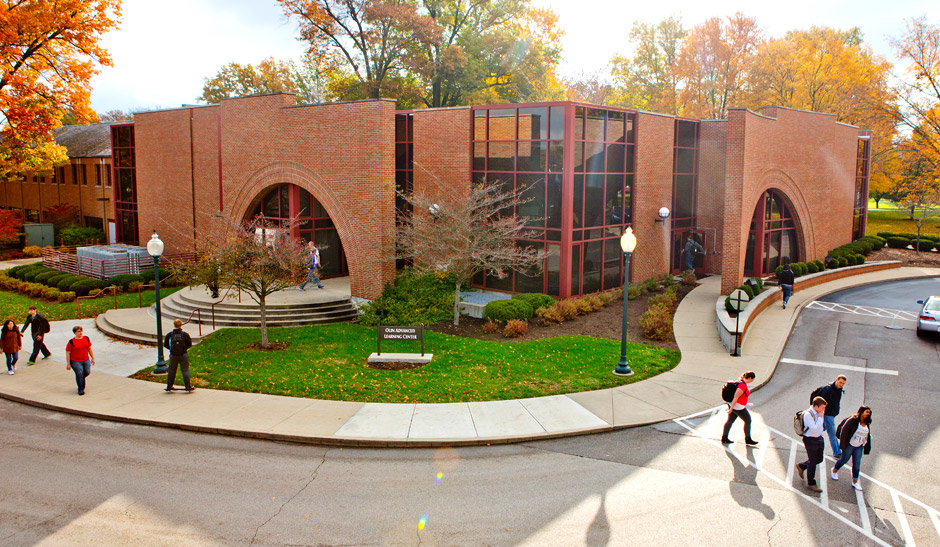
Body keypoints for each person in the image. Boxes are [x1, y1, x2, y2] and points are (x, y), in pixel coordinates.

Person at [830, 406, 872, 491]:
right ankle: (834, 470)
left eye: (869, 412)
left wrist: (866, 445)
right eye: (866, 412)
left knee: (856, 464)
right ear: (861, 412)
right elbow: (844, 432)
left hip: (859, 446)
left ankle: (855, 481)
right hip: (849, 445)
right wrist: (843, 445)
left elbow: (867, 434)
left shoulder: (867, 423)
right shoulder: (853, 420)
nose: (868, 414)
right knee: (844, 460)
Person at [797, 396, 827, 492]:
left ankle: (802, 466)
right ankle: (811, 483)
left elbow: (820, 429)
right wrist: (821, 418)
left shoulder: (818, 413)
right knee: (813, 461)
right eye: (822, 407)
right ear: (816, 406)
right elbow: (814, 428)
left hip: (818, 438)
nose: (823, 410)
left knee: (819, 459)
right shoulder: (808, 415)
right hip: (810, 440)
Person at [812, 375, 847, 458]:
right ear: (836, 380)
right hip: (827, 414)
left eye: (843, 383)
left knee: (820, 429)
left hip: (831, 413)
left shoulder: (839, 389)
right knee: (832, 433)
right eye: (840, 382)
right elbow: (821, 401)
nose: (841, 385)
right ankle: (837, 452)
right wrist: (822, 413)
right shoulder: (828, 390)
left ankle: (812, 442)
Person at [721, 371, 758, 446]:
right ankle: (748, 439)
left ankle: (724, 437)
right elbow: (736, 397)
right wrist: (731, 409)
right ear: (750, 378)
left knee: (730, 421)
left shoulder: (740, 381)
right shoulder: (742, 386)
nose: (752, 381)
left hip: (735, 406)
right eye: (752, 379)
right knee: (748, 420)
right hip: (738, 407)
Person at [164, 319, 194, 392]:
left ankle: (169, 386)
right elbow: (189, 344)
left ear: (174, 325)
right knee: (185, 370)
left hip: (173, 355)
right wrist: (184, 349)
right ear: (181, 325)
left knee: (171, 371)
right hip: (183, 354)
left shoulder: (170, 335)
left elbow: (166, 344)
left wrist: (172, 349)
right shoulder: (185, 334)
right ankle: (188, 386)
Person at [65, 325, 94, 396]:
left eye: (81, 331)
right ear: (75, 333)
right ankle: (81, 389)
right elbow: (68, 353)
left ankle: (80, 379)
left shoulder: (86, 338)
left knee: (87, 372)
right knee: (79, 373)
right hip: (75, 361)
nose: (80, 333)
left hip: (85, 359)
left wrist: (92, 358)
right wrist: (68, 364)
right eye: (78, 331)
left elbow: (89, 348)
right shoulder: (71, 342)